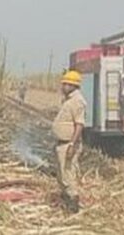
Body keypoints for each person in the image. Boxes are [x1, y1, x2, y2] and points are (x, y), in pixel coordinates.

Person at [52, 70, 87, 214]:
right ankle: (66, 201)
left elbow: (79, 124)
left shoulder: (77, 102)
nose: (63, 86)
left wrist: (72, 144)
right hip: (62, 143)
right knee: (62, 174)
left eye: (66, 84)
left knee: (68, 174)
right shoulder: (68, 100)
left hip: (68, 144)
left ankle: (73, 205)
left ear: (73, 85)